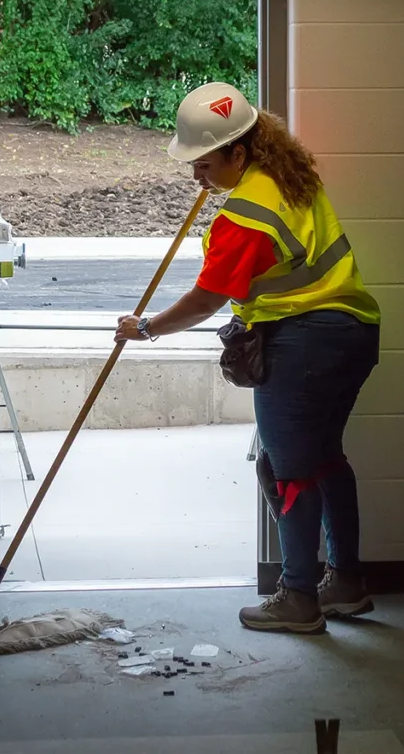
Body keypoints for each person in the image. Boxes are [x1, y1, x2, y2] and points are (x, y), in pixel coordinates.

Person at [115, 82, 381, 634]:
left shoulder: (245, 214)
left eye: (205, 164)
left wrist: (147, 328)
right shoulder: (288, 176)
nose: (197, 177)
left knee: (287, 470)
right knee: (326, 458)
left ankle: (300, 598)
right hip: (353, 330)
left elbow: (206, 299)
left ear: (239, 152)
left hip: (303, 342)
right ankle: (347, 584)